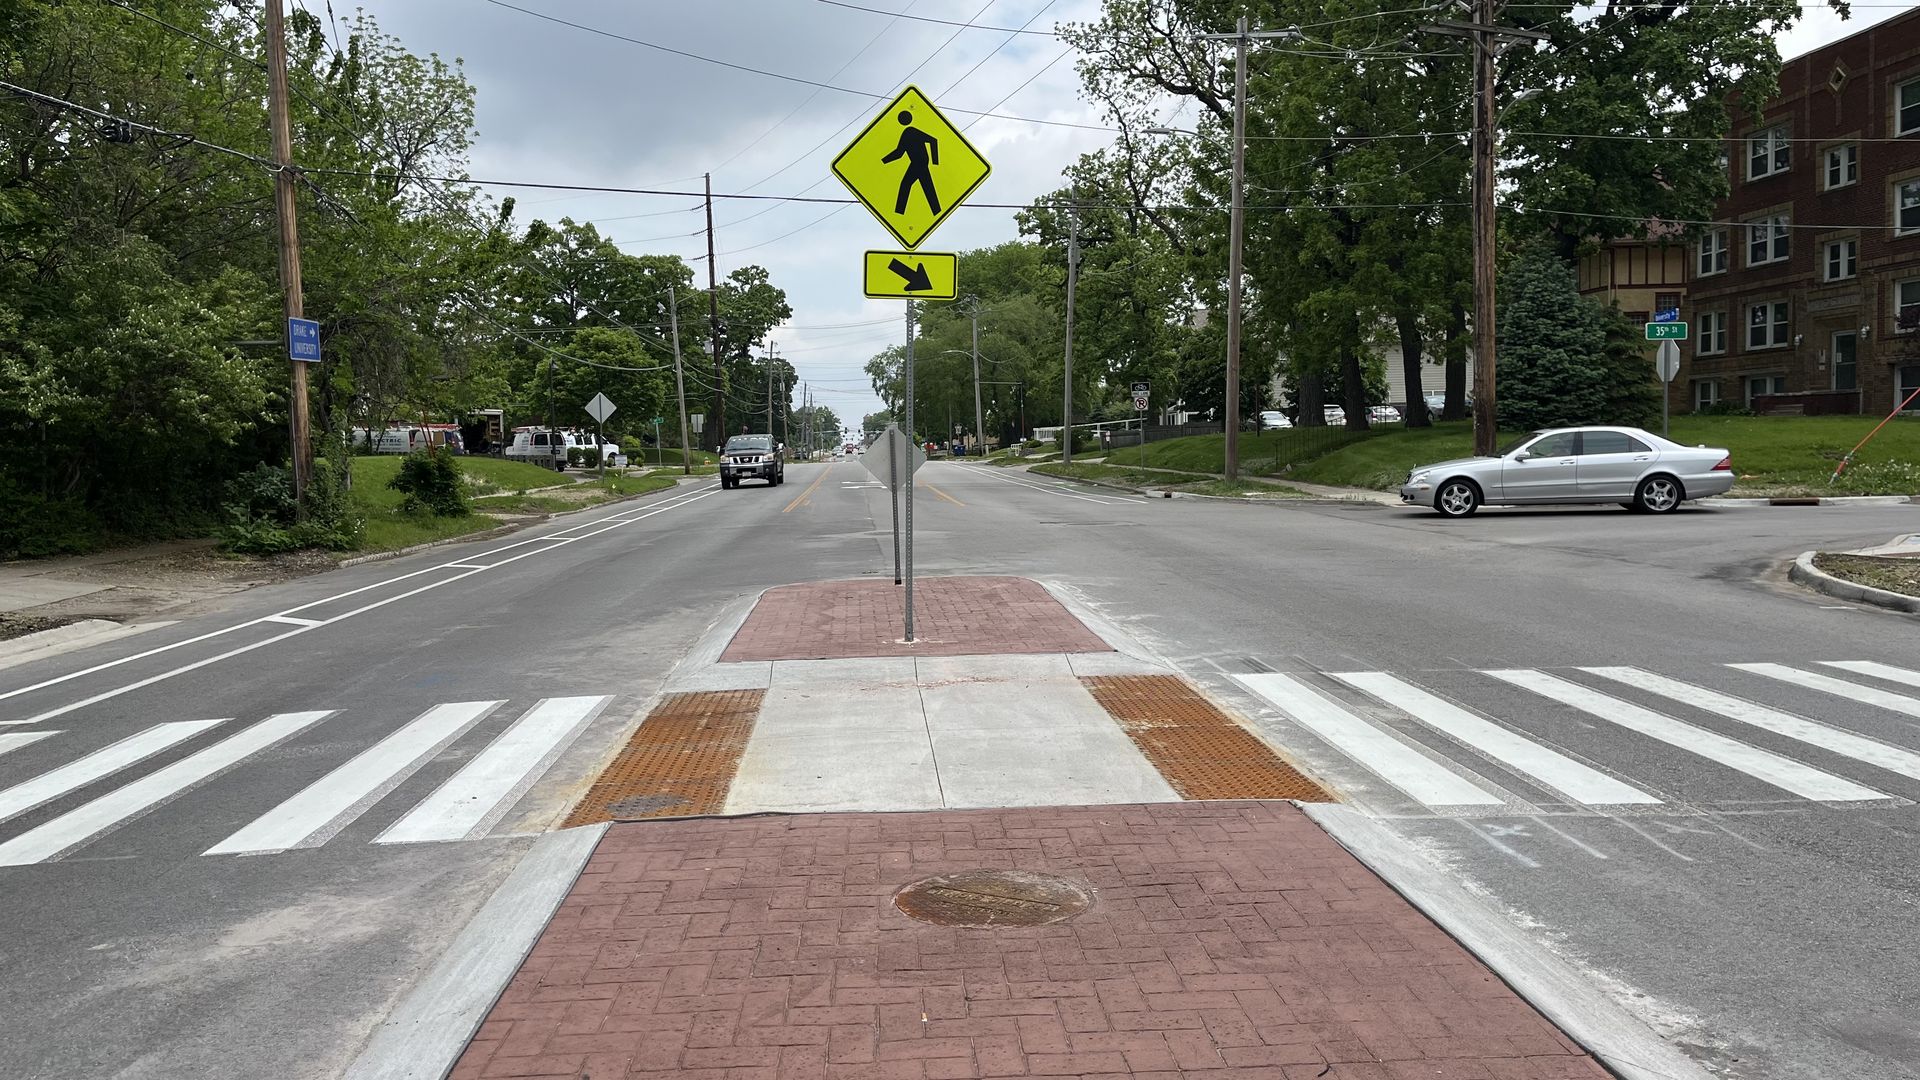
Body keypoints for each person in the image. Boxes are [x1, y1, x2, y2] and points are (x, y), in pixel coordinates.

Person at [883, 111, 940, 216]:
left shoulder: (911, 131)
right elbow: (899, 153)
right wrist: (884, 161)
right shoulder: (906, 133)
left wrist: (935, 162)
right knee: (927, 188)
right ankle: (936, 211)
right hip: (917, 163)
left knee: (906, 184)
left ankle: (899, 213)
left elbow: (933, 140)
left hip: (920, 163)